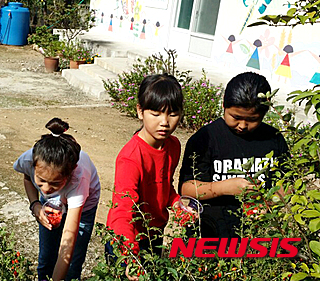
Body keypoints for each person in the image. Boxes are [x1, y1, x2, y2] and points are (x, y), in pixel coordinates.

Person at [178, 72, 289, 238]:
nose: (242, 125)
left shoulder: (273, 139)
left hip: (256, 237)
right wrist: (223, 188)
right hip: (209, 233)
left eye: (252, 119)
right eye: (236, 117)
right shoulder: (205, 139)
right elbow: (186, 188)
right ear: (223, 104)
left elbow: (286, 183)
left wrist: (270, 203)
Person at [105, 74, 185, 276]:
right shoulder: (130, 159)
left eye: (172, 113)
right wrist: (131, 259)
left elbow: (164, 185)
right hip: (126, 239)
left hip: (154, 235)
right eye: (156, 113)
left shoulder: (173, 146)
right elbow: (123, 211)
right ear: (140, 111)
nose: (165, 122)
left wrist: (177, 203)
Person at [13, 118, 101, 281]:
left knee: (73, 262)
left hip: (84, 206)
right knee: (47, 255)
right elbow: (27, 177)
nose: (45, 189)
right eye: (41, 180)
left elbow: (69, 236)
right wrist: (35, 205)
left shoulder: (78, 180)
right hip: (54, 202)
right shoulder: (29, 159)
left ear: (71, 171)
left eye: (54, 182)